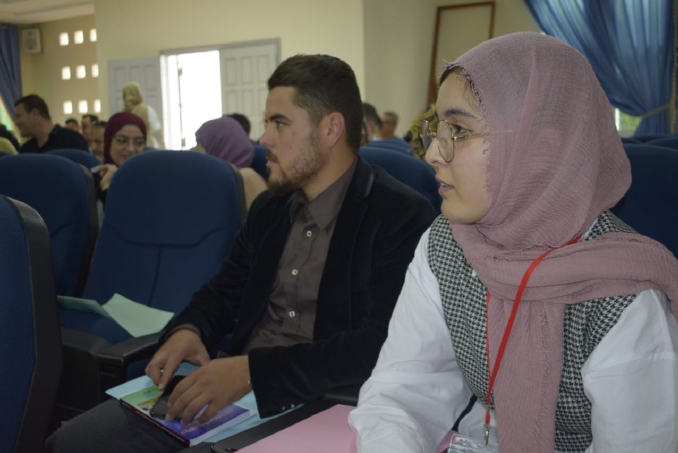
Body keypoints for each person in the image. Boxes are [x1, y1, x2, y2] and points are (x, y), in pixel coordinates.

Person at [46, 53, 435, 453]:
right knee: (70, 444)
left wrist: (251, 373)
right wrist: (189, 330)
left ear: (331, 129)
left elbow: (376, 346)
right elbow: (223, 291)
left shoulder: (399, 216)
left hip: (322, 405)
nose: (264, 138)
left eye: (279, 123)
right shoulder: (271, 208)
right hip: (232, 397)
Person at [350, 33, 678, 453]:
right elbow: (402, 391)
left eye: (459, 130)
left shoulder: (625, 297)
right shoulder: (447, 243)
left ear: (540, 150)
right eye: (438, 129)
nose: (432, 153)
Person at [195, 115, 266, 209]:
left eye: (199, 143)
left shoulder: (246, 178)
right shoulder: (221, 177)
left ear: (219, 145)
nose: (195, 149)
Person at [96, 112, 146, 203]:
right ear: (108, 143)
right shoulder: (90, 181)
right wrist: (107, 186)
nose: (131, 149)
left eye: (139, 142)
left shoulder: (152, 179)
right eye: (122, 140)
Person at [14, 94, 89, 153]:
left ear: (35, 114)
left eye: (18, 116)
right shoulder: (26, 150)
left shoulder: (73, 141)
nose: (16, 123)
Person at [122, 81, 165, 149]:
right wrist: (163, 148)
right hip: (146, 150)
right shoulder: (147, 110)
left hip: (127, 151)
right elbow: (157, 132)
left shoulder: (121, 115)